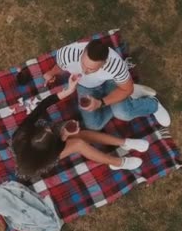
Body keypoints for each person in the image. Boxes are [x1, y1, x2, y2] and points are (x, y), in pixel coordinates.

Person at [11, 73, 150, 179]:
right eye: (50, 131)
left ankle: (124, 143)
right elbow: (59, 144)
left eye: (47, 129)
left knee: (78, 133)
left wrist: (68, 91)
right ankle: (117, 163)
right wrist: (65, 136)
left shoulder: (22, 133)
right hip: (42, 158)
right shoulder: (48, 157)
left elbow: (43, 105)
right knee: (78, 143)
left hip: (38, 144)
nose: (51, 128)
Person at [42, 39, 171, 131]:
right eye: (83, 64)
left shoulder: (115, 65)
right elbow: (60, 66)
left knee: (123, 114)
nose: (84, 71)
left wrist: (101, 103)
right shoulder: (67, 54)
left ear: (104, 63)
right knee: (94, 125)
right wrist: (51, 73)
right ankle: (122, 101)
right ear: (83, 52)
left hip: (111, 83)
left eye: (91, 69)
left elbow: (127, 89)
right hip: (85, 87)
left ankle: (152, 104)